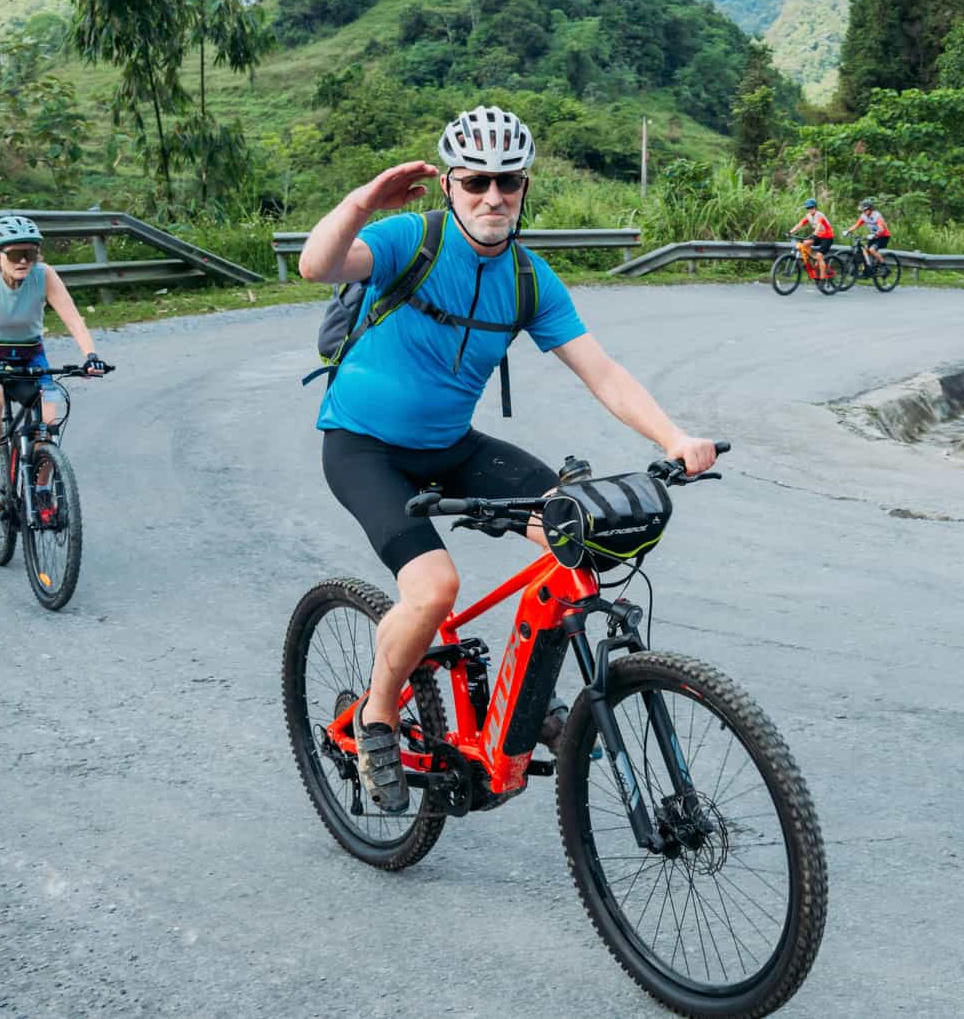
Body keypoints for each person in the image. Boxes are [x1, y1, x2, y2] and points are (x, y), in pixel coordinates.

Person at [299, 105, 718, 814]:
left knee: (580, 535)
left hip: (452, 447)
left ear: (524, 188)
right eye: (475, 182)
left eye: (509, 182)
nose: (493, 196)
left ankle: (525, 707)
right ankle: (375, 716)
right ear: (450, 188)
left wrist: (672, 437)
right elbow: (317, 264)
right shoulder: (410, 239)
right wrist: (364, 201)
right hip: (364, 445)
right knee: (433, 589)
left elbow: (603, 371)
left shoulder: (528, 278)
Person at [0, 215, 107, 513]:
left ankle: (42, 489)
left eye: (30, 253)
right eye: (14, 254)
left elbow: (73, 318)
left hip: (30, 355)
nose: (23, 261)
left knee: (48, 421)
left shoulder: (44, 275)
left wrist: (90, 355)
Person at [789, 197, 835, 279]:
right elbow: (800, 224)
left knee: (819, 255)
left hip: (827, 237)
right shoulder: (808, 216)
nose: (810, 209)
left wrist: (814, 234)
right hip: (818, 236)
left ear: (815, 207)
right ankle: (813, 261)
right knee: (804, 244)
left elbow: (818, 226)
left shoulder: (820, 215)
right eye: (808, 208)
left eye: (811, 207)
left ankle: (822, 279)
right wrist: (791, 232)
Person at [846, 197, 892, 265]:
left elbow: (881, 229)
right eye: (863, 211)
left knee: (872, 250)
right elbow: (856, 225)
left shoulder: (877, 216)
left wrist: (875, 234)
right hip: (874, 236)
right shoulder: (864, 216)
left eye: (865, 210)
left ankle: (884, 266)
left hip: (883, 236)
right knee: (865, 250)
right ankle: (869, 266)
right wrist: (848, 231)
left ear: (870, 209)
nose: (863, 212)